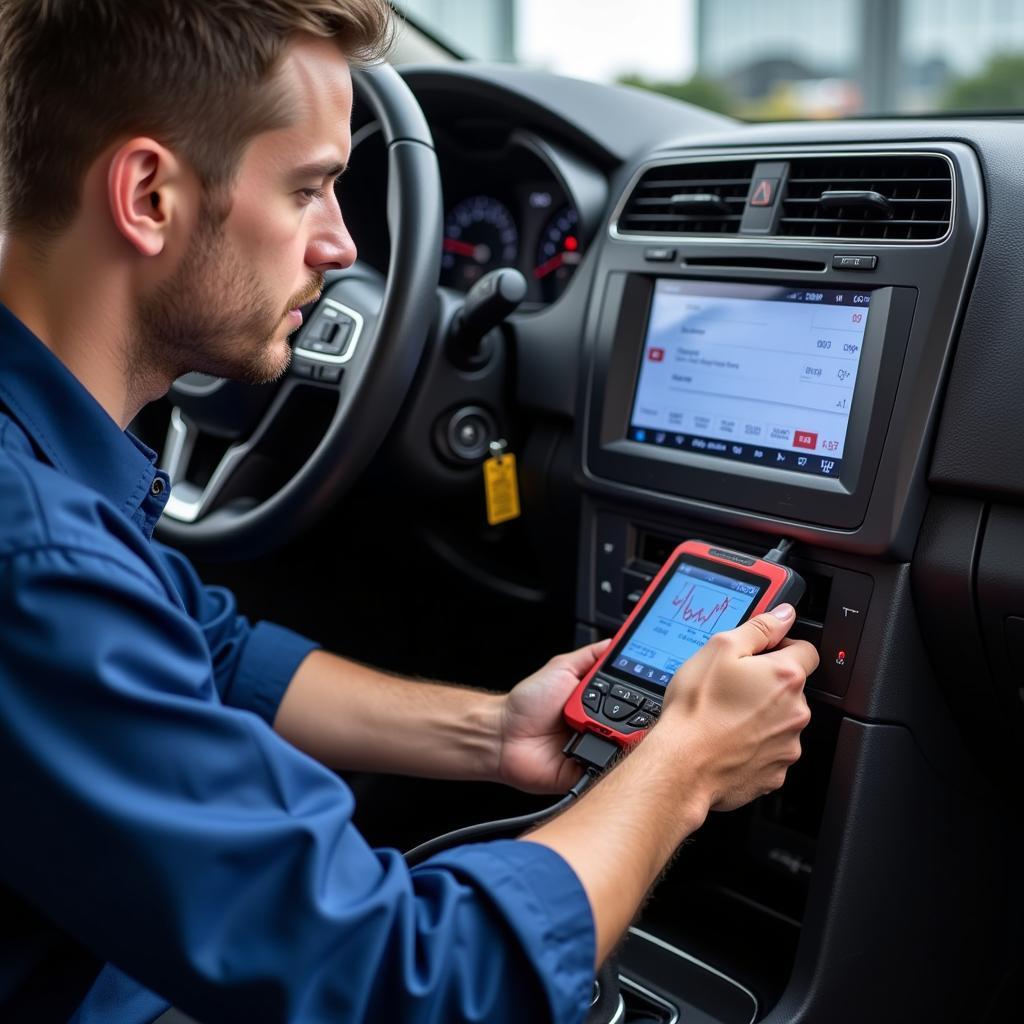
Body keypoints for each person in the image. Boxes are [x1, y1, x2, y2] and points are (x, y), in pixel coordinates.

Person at [0, 2, 817, 1022]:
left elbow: (207, 655)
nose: (343, 245)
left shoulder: (43, 478)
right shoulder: (33, 556)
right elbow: (406, 980)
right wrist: (681, 767)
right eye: (308, 188)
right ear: (149, 194)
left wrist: (492, 732)